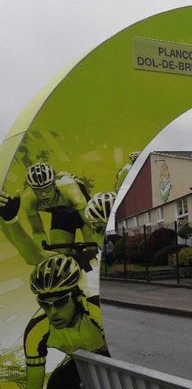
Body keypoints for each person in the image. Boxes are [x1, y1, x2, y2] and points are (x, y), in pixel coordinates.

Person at [24, 254, 109, 389]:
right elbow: (33, 386)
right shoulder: (36, 330)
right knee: (58, 382)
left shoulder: (96, 311)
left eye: (60, 302)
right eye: (44, 304)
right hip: (82, 360)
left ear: (77, 296)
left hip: (110, 353)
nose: (52, 313)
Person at [20, 163, 94, 250]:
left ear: (54, 185)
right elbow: (38, 232)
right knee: (59, 253)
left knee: (93, 249)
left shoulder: (70, 191)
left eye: (47, 189)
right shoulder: (28, 200)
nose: (43, 194)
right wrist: (45, 255)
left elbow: (91, 224)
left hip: (84, 213)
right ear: (32, 189)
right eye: (38, 190)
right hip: (61, 215)